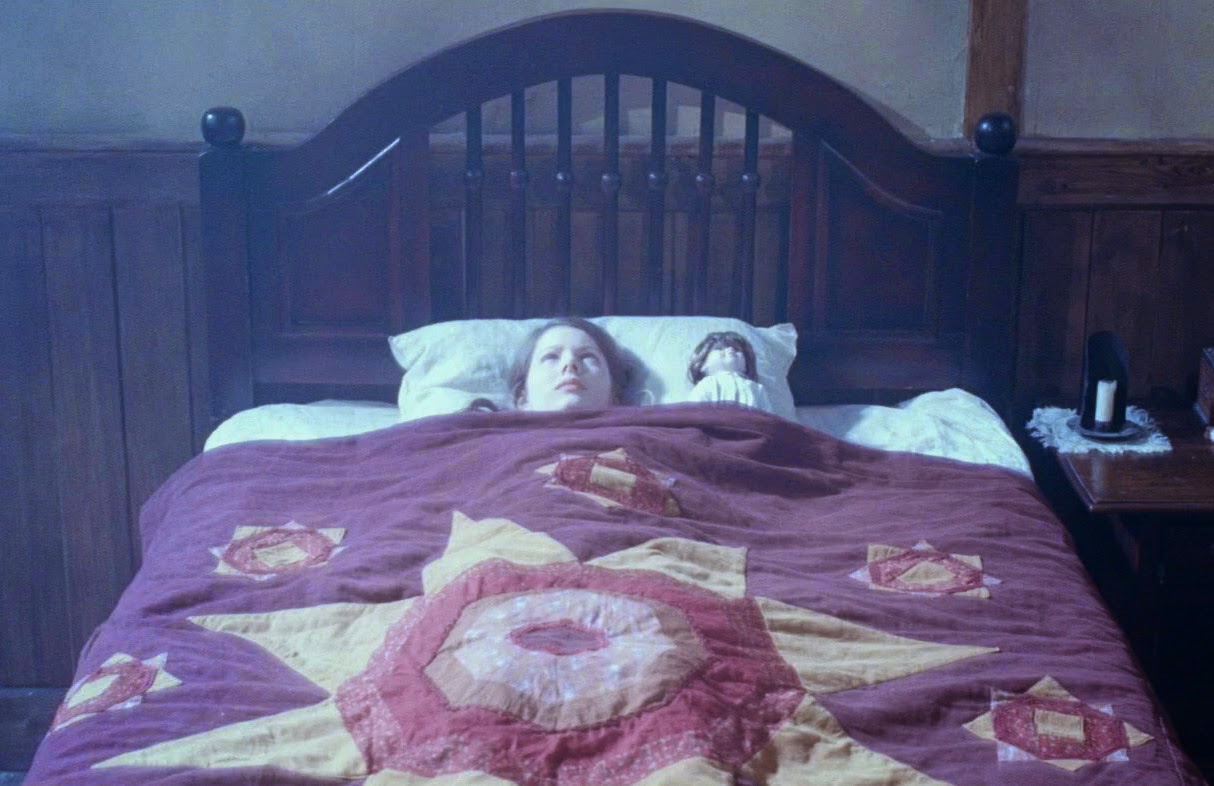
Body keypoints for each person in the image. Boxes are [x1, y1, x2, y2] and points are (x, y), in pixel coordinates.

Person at [502, 317, 631, 411]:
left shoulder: (640, 432)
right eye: (551, 357)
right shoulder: (492, 432)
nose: (570, 363)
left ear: (613, 395)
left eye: (587, 356)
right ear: (523, 397)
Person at [686, 330, 774, 413]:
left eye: (737, 349)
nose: (730, 349)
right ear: (702, 365)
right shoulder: (706, 384)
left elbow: (769, 418)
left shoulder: (757, 388)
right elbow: (693, 413)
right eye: (719, 348)